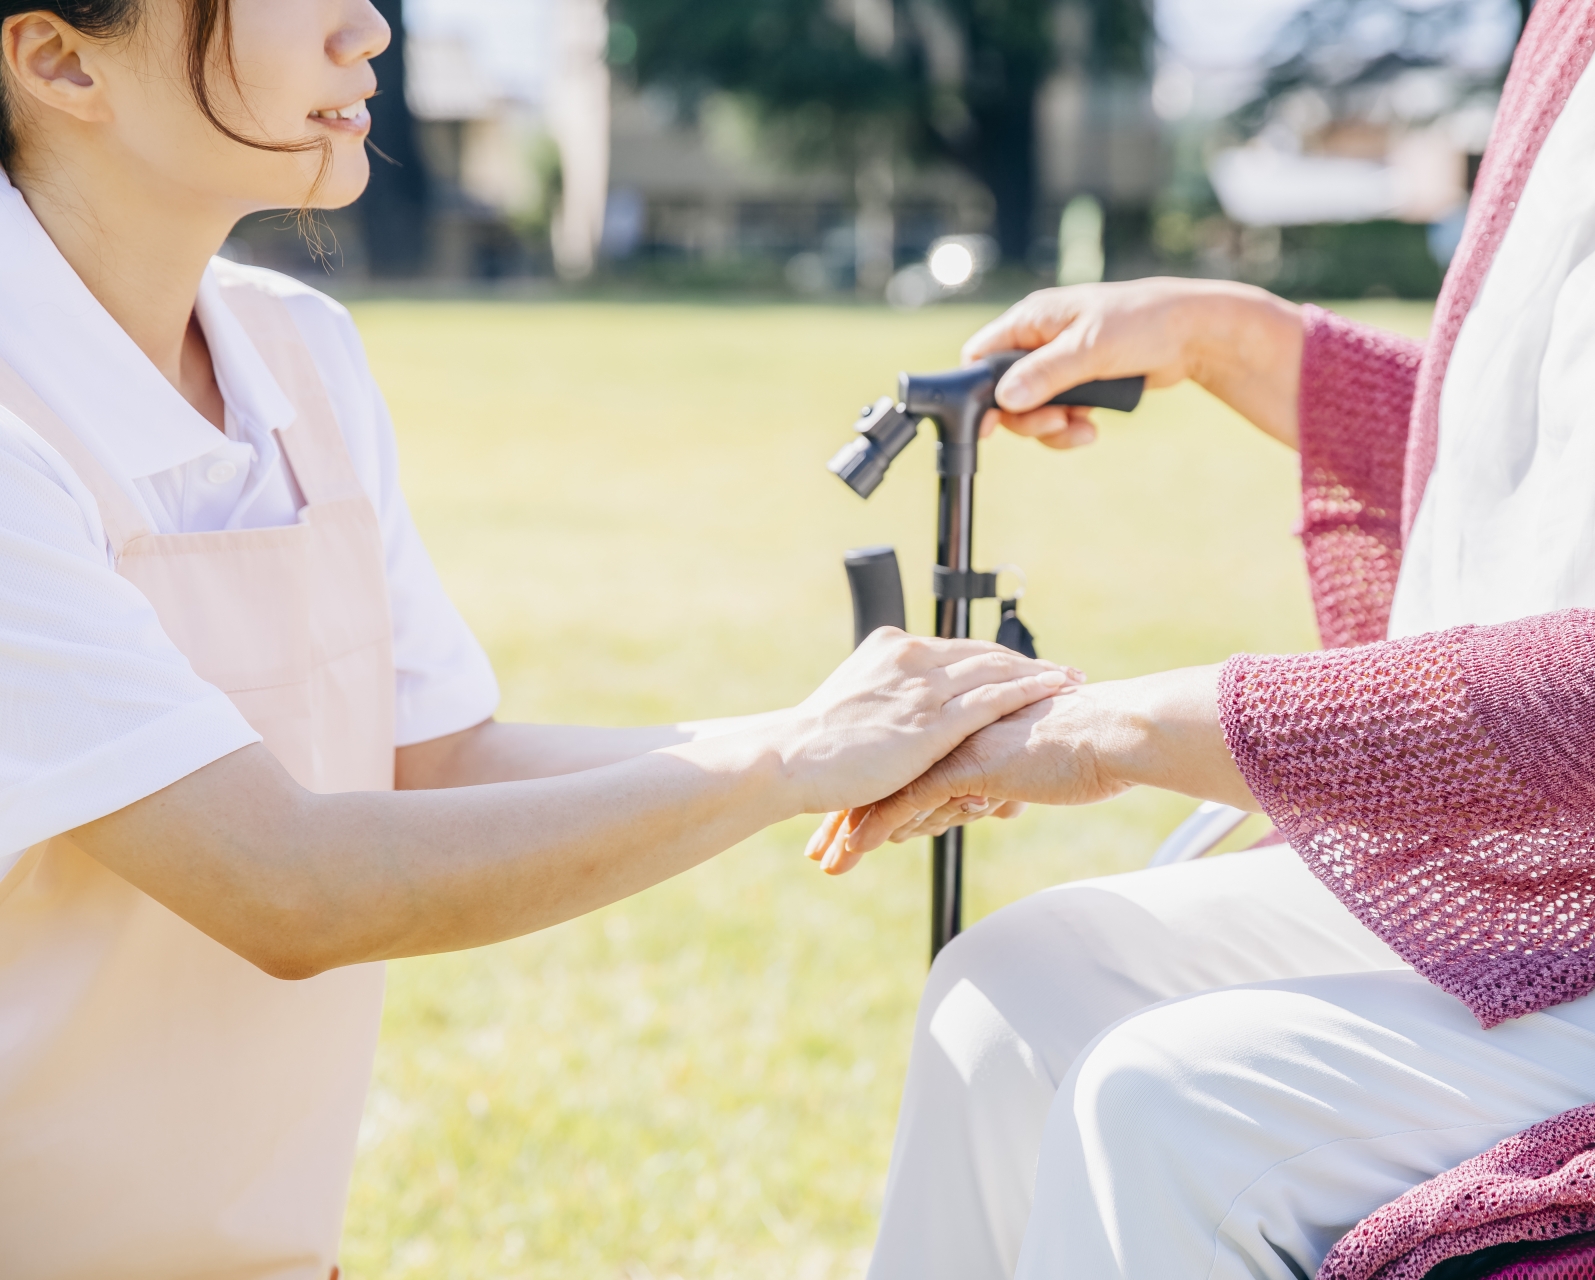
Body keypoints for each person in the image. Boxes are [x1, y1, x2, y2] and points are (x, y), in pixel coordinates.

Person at [809, 0, 1595, 1274]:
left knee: (1170, 1108)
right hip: (1516, 869)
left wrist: (1111, 731)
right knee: (1009, 990)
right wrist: (1230, 338)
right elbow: (1556, 462)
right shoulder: (1588, 25)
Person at [0, 3, 1081, 1275]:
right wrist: (787, 765)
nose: (364, 30)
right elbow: (283, 880)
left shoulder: (300, 351)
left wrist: (840, 738)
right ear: (62, 59)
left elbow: (438, 762)